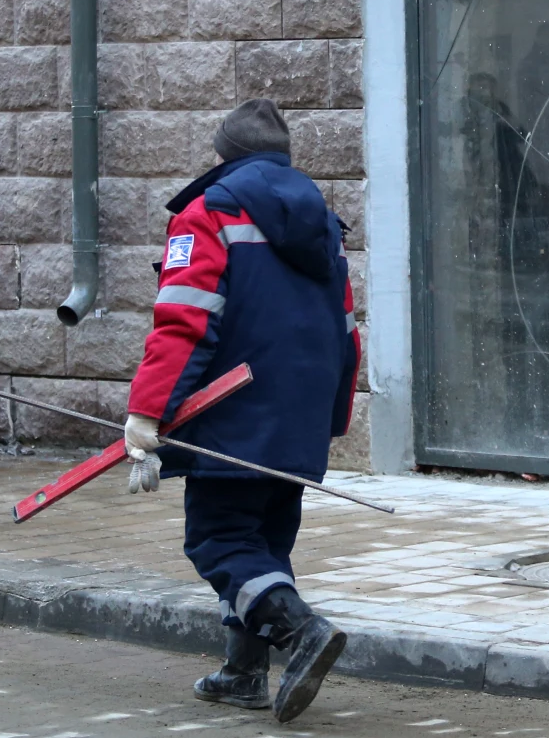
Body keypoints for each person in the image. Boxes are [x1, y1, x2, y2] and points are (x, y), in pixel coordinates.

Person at [122, 98, 361, 723]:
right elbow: (346, 331)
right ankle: (243, 672)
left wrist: (146, 414)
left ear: (223, 156)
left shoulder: (210, 212)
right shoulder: (325, 225)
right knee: (264, 542)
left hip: (232, 412)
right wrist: (329, 420)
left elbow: (184, 321)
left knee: (220, 539)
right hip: (298, 418)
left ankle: (302, 631)